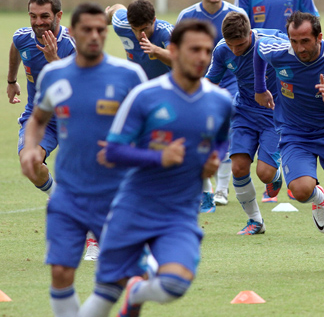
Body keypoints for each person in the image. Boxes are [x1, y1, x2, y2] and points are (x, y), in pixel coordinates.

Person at [78, 19, 233, 316]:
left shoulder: (220, 101)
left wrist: (214, 157)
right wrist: (158, 158)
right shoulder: (145, 96)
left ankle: (137, 292)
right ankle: (128, 291)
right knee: (104, 297)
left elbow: (222, 141)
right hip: (134, 207)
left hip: (180, 213)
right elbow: (112, 151)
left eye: (206, 51)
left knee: (174, 285)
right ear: (172, 50)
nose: (202, 57)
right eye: (193, 50)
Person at [19, 2, 146, 317]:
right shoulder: (54, 74)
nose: (94, 35)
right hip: (69, 195)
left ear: (106, 33)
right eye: (86, 30)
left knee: (132, 279)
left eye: (100, 30)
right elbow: (37, 119)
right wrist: (32, 146)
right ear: (73, 33)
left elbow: (149, 125)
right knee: (61, 272)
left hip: (116, 196)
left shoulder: (129, 75)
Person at [254, 11, 324, 272]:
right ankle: (318, 198)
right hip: (295, 132)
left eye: (305, 41)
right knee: (301, 191)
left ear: (319, 37)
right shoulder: (279, 51)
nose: (299, 48)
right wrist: (260, 87)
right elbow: (258, 50)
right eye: (294, 41)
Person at [236, 0, 319, 200]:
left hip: (295, 63)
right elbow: (240, 28)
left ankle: (300, 174)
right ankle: (277, 172)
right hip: (259, 67)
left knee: (301, 115)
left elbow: (313, 23)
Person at [206, 12, 286, 234]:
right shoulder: (222, 50)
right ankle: (255, 221)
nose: (235, 50)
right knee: (239, 167)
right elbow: (210, 82)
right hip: (244, 112)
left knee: (265, 174)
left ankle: (276, 174)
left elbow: (301, 52)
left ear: (250, 34)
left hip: (274, 114)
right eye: (231, 45)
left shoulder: (271, 43)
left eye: (240, 44)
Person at [177, 0, 248, 211]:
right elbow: (178, 52)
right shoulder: (187, 17)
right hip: (198, 83)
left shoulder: (236, 14)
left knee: (226, 129)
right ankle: (205, 188)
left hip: (231, 82)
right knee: (198, 131)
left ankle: (221, 189)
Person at [8, 0, 75, 197]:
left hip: (73, 118)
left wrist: (54, 59)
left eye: (45, 16)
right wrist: (12, 81)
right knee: (31, 163)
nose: (38, 22)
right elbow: (15, 48)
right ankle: (59, 201)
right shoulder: (23, 38)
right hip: (40, 116)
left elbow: (78, 87)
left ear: (58, 16)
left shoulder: (73, 44)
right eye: (33, 16)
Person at [106, 0, 173, 79]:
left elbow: (177, 59)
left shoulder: (166, 31)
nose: (139, 35)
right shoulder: (122, 24)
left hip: (163, 87)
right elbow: (116, 8)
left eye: (144, 29)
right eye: (134, 29)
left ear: (154, 20)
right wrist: (103, 19)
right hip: (137, 85)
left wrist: (155, 50)